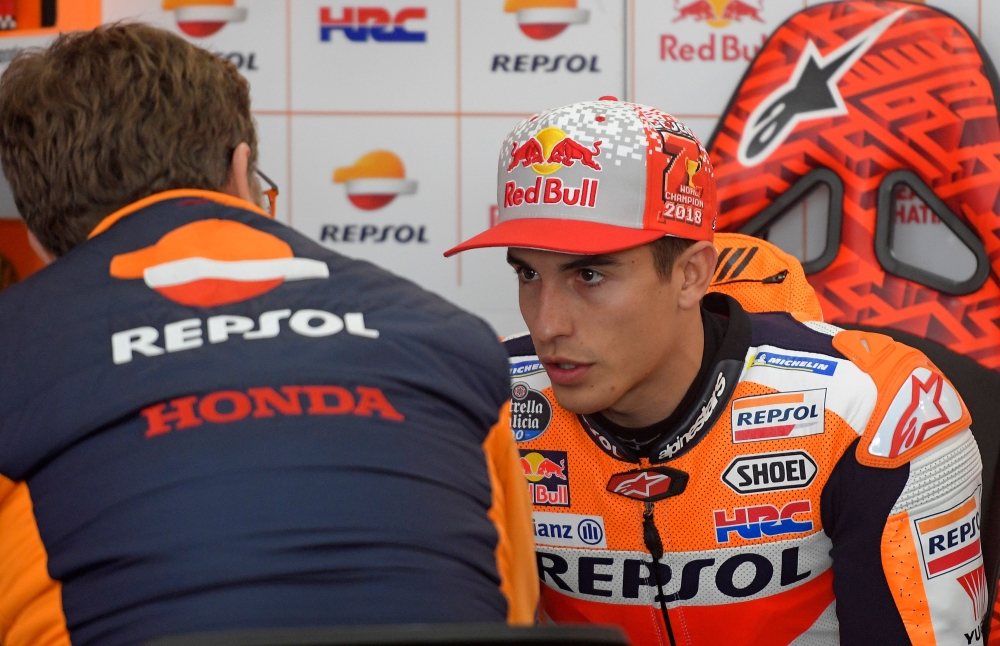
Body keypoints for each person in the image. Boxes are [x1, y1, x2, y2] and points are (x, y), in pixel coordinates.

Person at [0, 24, 536, 646]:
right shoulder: (454, 343)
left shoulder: (18, 346)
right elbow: (511, 610)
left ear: (37, 239)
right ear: (240, 171)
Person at [445, 98, 986, 645]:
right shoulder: (480, 402)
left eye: (588, 274)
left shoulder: (874, 406)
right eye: (528, 273)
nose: (547, 323)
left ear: (690, 275)